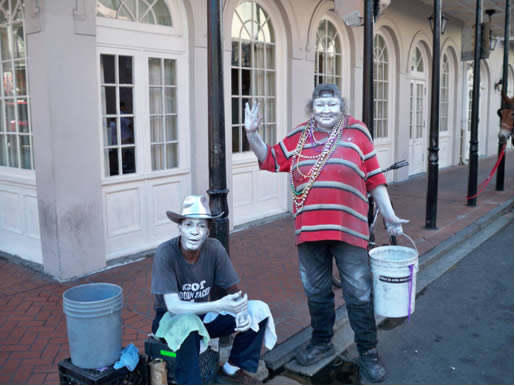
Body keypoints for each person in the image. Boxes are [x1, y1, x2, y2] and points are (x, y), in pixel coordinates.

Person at [244, 83, 408, 383]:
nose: (326, 110)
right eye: (320, 105)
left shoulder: (358, 133)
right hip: (309, 231)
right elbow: (271, 159)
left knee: (358, 294)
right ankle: (322, 341)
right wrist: (252, 134)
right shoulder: (299, 135)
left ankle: (369, 352)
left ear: (341, 106)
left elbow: (375, 177)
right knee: (316, 292)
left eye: (332, 104)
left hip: (350, 229)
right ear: (312, 108)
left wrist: (389, 215)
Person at [151, 195, 275, 385]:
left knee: (258, 310)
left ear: (208, 232)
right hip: (170, 319)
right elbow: (173, 306)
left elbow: (233, 288)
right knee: (188, 324)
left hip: (204, 314)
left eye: (201, 226)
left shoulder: (214, 248)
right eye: (189, 225)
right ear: (180, 228)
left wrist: (241, 311)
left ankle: (231, 370)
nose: (194, 231)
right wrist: (218, 304)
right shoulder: (165, 252)